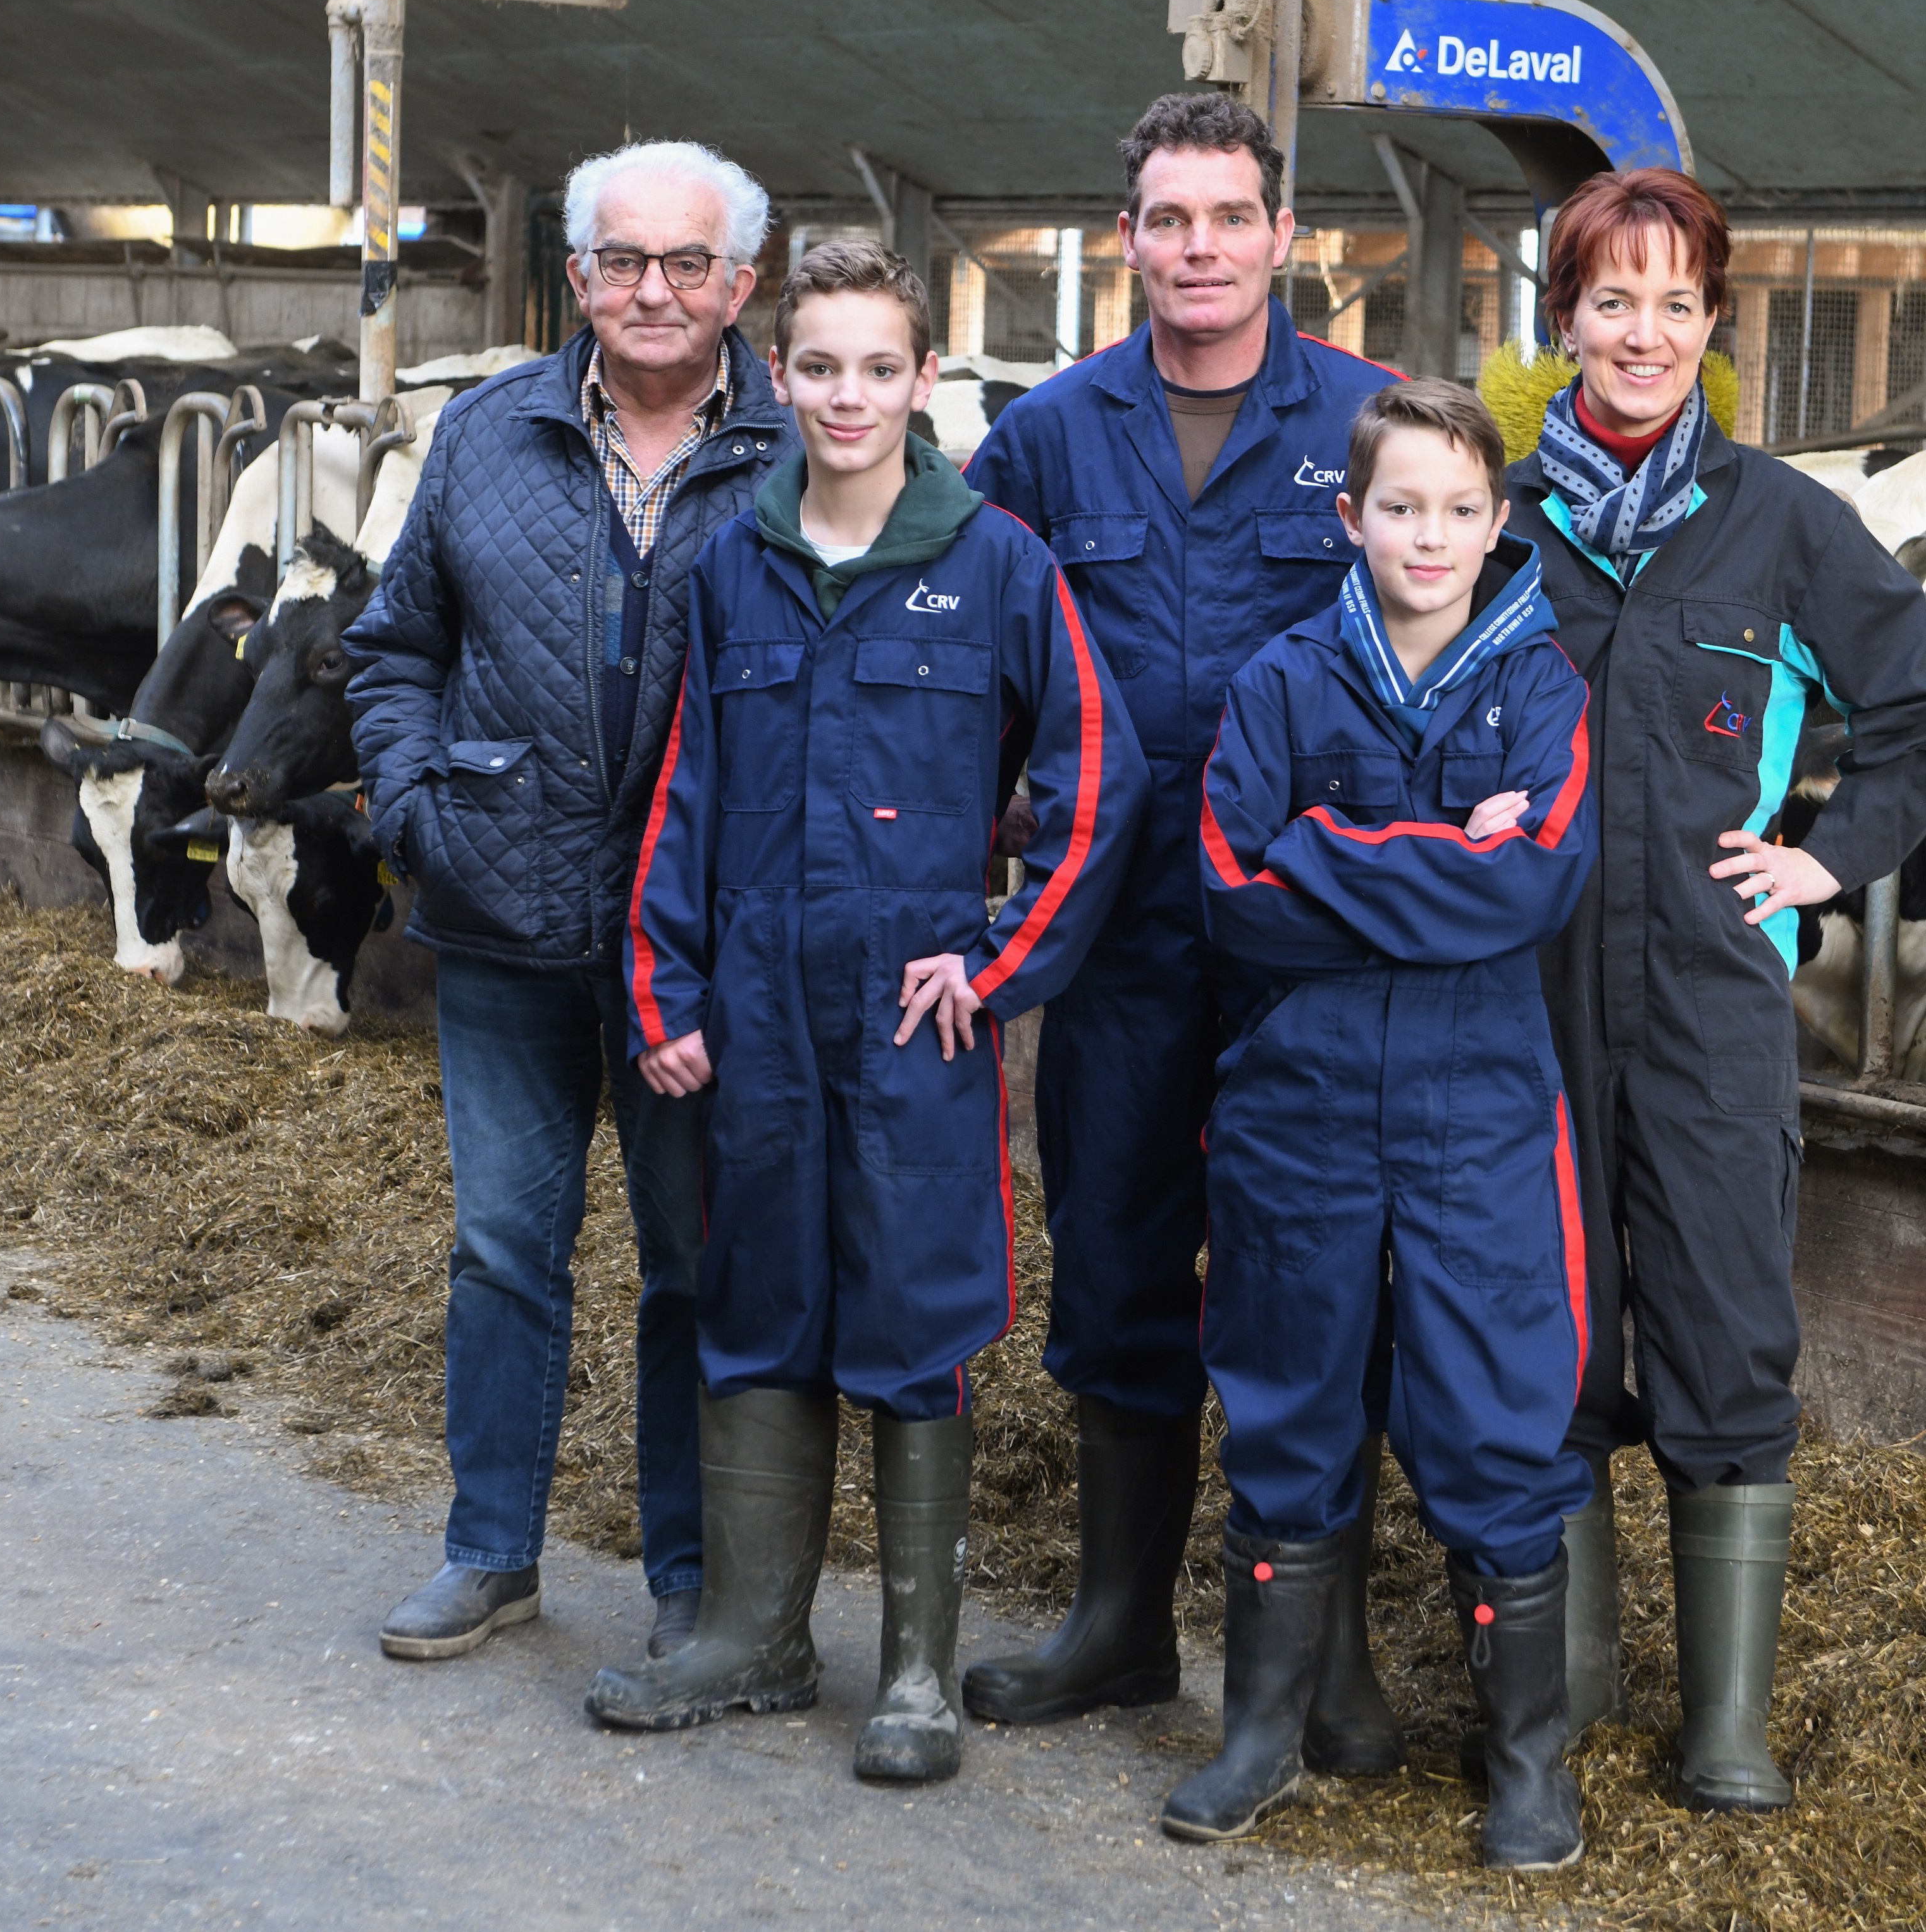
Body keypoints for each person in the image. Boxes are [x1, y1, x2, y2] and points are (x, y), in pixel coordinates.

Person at [585, 239, 1142, 1785]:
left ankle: (911, 1669)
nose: (846, 394)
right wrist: (666, 989)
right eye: (816, 365)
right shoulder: (733, 565)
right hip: (756, 1008)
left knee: (911, 1310)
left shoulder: (998, 561)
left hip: (914, 1018)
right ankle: (754, 1635)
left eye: (877, 366)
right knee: (752, 1291)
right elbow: (684, 795)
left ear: (923, 380)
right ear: (779, 375)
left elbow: (1098, 783)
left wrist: (998, 955)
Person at [1503, 168, 1926, 1814]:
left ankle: (1724, 1728)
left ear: (1713, 326)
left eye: (1675, 304)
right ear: (1565, 318)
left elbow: (1925, 704)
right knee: (1541, 1327)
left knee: (1722, 1319)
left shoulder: (1780, 519)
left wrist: (1826, 858)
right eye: (1612, 300)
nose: (1643, 332)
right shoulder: (1493, 517)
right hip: (1523, 993)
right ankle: (1556, 1695)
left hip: (1711, 997)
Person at [958, 93, 1406, 1761]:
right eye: (1168, 217)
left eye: (1229, 215)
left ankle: (1321, 1651)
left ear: (1288, 236)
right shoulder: (1049, 436)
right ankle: (1121, 1623)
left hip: (1308, 938)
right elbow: (977, 665)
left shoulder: (1373, 423)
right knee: (1121, 1257)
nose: (1199, 246)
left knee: (1313, 1280)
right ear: (1128, 237)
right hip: (1118, 930)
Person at [347, 140, 795, 1668]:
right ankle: (490, 1550)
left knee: (695, 1261)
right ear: (580, 275)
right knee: (502, 1247)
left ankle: (688, 1569)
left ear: (743, 282)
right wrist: (417, 808)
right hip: (502, 916)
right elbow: (395, 642)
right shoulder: (488, 431)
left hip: (702, 946)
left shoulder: (805, 452)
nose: (651, 291)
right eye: (620, 260)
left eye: (685, 264)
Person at [1170, 378, 1596, 1871]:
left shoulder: (1540, 686)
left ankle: (1526, 1761)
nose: (1429, 534)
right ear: (1347, 518)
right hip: (1298, 1100)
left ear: (1498, 523)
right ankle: (1264, 1734)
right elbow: (1234, 890)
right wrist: (1434, 863)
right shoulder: (1282, 678)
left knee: (1492, 1412)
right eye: (1398, 506)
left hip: (1477, 1105)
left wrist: (1329, 844)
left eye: (1459, 509)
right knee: (1287, 1402)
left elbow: (1535, 883)